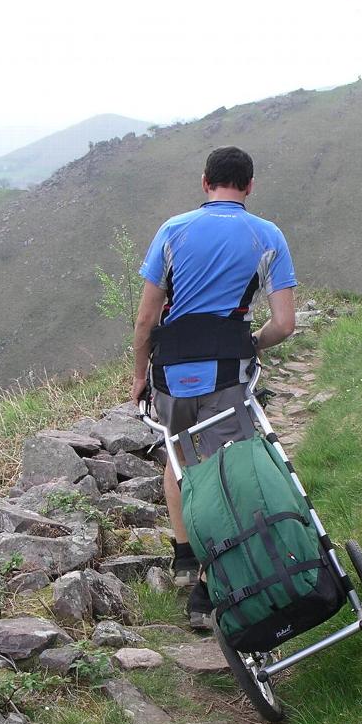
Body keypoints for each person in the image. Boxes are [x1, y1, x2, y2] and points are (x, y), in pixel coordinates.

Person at [130, 146, 297, 629]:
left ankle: (184, 557)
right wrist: (252, 345)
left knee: (180, 458)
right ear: (248, 186)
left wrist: (140, 375)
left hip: (172, 371)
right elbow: (284, 324)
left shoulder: (172, 230)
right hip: (228, 371)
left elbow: (146, 317)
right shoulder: (267, 235)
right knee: (230, 471)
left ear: (205, 182)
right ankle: (213, 584)